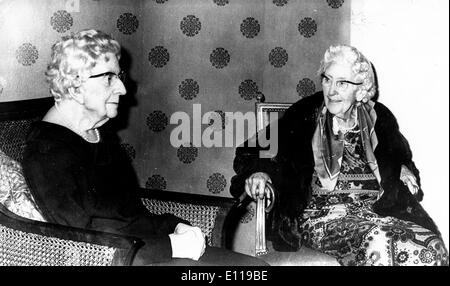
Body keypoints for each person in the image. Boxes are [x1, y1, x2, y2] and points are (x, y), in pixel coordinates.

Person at [22, 29, 267, 266]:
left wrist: (174, 225)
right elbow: (83, 247)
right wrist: (172, 246)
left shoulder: (99, 134)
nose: (122, 89)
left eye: (119, 77)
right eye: (109, 78)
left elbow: (130, 213)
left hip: (145, 252)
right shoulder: (46, 151)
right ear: (75, 86)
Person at [230, 45, 448, 266]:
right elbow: (256, 148)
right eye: (327, 79)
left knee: (432, 245)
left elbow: (398, 155)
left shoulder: (379, 117)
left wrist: (398, 166)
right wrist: (260, 171)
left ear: (361, 90)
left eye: (342, 83)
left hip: (376, 211)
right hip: (322, 217)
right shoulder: (305, 114)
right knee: (382, 243)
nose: (331, 90)